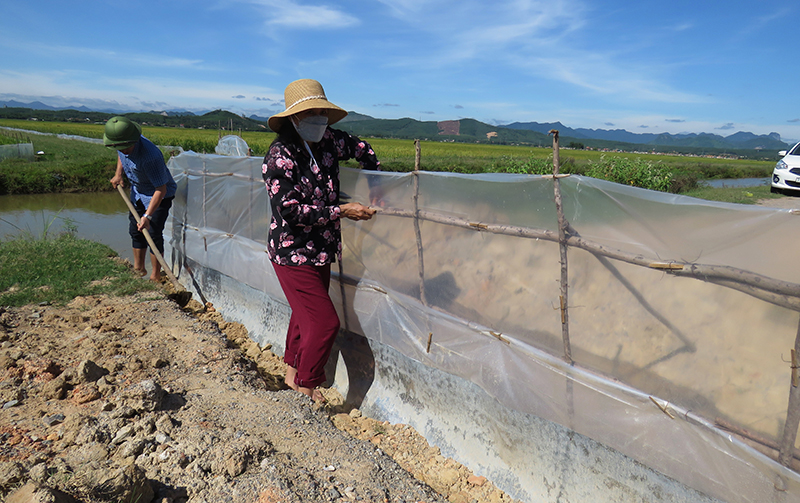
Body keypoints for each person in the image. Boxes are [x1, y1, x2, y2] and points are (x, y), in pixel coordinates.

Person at [263, 79, 381, 402]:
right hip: (292, 252)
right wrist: (341, 210)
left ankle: (291, 374)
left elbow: (364, 150)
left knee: (305, 317)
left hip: (321, 250)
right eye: (310, 112)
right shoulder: (280, 156)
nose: (318, 118)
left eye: (321, 111)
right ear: (294, 118)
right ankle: (306, 387)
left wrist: (375, 185)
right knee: (325, 322)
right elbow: (289, 211)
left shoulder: (328, 141)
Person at [105, 116, 177, 282]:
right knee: (135, 231)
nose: (122, 150)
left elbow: (161, 188)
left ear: (134, 140)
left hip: (158, 195)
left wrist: (148, 216)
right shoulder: (122, 142)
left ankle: (156, 276)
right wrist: (118, 175)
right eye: (118, 147)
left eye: (125, 147)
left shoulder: (150, 156)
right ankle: (139, 269)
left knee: (153, 234)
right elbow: (121, 155)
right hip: (138, 192)